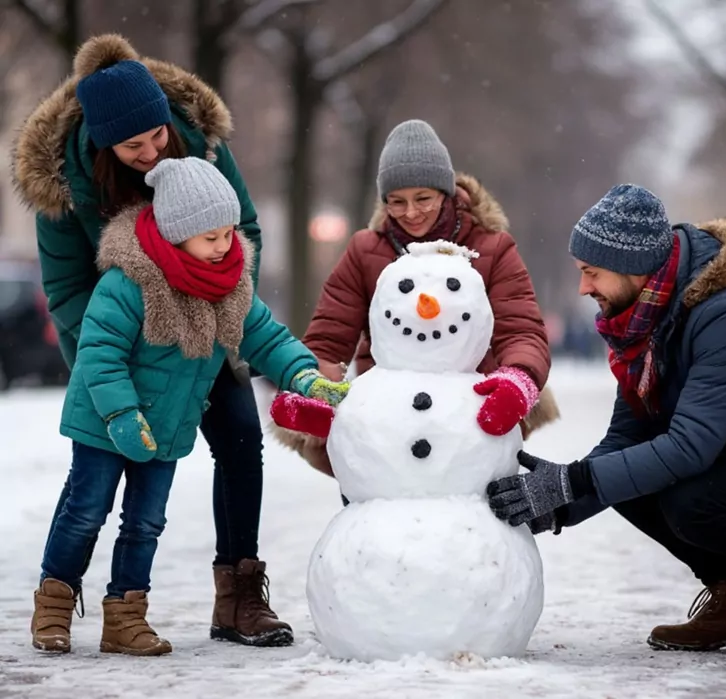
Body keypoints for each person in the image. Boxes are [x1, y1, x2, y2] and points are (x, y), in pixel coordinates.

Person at [486, 184, 726, 659]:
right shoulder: (646, 326)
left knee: (688, 496)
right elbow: (623, 443)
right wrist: (560, 504)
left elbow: (692, 447)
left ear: (633, 269)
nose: (583, 288)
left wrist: (573, 482)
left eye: (592, 273)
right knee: (628, 480)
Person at [12, 34, 293, 645]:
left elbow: (241, 227)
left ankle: (239, 595)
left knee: (242, 439)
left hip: (206, 328)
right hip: (121, 337)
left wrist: (219, 300)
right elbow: (66, 290)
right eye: (133, 145)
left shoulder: (197, 144)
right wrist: (113, 373)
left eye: (156, 136)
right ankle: (59, 598)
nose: (150, 152)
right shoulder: (64, 182)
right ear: (102, 140)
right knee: (95, 486)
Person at [30, 157, 350, 656]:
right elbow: (99, 352)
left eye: (228, 233)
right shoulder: (129, 281)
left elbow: (265, 337)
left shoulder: (229, 283)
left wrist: (305, 375)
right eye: (211, 237)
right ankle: (54, 603)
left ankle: (126, 616)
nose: (225, 246)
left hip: (166, 428)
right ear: (176, 233)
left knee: (145, 523)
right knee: (86, 512)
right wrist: (120, 415)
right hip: (104, 422)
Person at [271, 119, 558, 477]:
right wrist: (316, 389)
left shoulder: (491, 248)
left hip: (469, 414)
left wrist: (517, 377)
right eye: (396, 202)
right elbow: (329, 338)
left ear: (445, 193)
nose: (410, 213)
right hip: (387, 419)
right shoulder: (366, 251)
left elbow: (521, 329)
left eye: (423, 198)